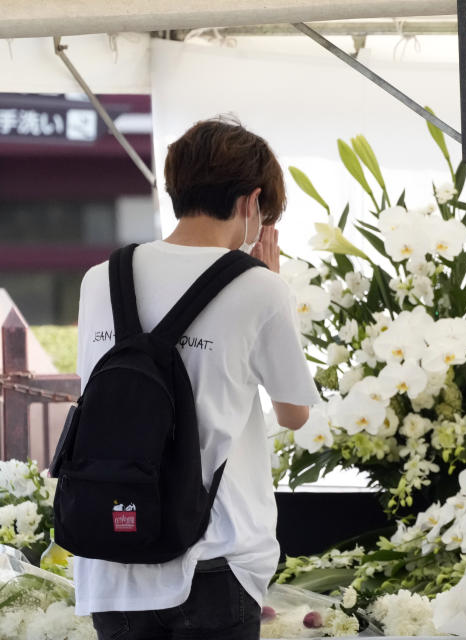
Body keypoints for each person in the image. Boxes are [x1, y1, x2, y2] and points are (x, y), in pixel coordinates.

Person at [73, 117, 321, 639]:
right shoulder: (259, 288)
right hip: (213, 556)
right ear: (253, 203)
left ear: (175, 188)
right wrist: (268, 286)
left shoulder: (101, 279)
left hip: (110, 556)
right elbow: (294, 415)